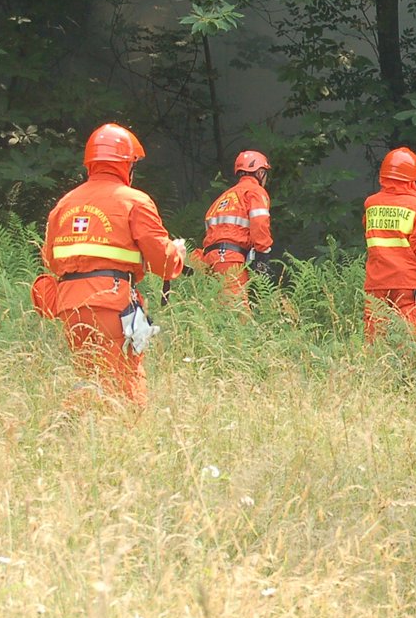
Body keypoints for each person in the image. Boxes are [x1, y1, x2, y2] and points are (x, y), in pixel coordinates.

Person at [33, 123, 187, 406]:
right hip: (111, 304)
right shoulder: (135, 201)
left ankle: (73, 435)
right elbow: (162, 261)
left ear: (91, 163)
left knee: (90, 377)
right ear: (127, 165)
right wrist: (177, 254)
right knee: (125, 385)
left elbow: (52, 261)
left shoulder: (64, 204)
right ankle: (124, 443)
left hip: (70, 308)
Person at [363, 146, 416, 341]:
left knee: (375, 340)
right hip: (408, 283)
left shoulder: (371, 204)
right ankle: (407, 371)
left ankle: (374, 371)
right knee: (408, 341)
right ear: (413, 177)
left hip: (377, 281)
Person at [197, 150, 274, 304]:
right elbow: (259, 223)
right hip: (230, 260)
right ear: (260, 173)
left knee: (218, 314)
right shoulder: (255, 191)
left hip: (209, 260)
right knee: (238, 317)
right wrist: (263, 254)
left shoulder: (223, 198)